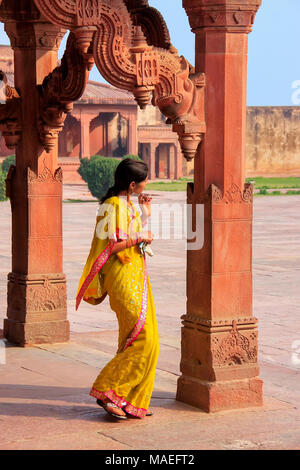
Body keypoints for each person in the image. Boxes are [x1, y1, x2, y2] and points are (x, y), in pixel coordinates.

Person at [76, 158, 159, 419]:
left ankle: (129, 398)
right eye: (145, 180)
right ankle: (107, 391)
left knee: (145, 339)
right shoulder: (112, 207)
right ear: (133, 184)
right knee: (142, 337)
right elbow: (115, 245)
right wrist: (141, 237)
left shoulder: (127, 205)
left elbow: (131, 236)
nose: (147, 184)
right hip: (122, 278)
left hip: (136, 275)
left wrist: (145, 216)